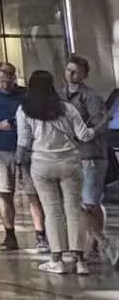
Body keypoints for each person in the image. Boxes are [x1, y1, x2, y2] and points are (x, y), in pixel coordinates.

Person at [17, 68, 95, 276]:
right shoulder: (67, 108)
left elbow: (23, 142)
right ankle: (80, 262)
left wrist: (18, 164)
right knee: (74, 209)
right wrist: (97, 128)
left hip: (41, 164)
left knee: (52, 211)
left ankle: (56, 260)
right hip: (70, 162)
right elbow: (84, 135)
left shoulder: (25, 110)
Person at [0, 61, 49, 254]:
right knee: (4, 192)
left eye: (7, 81)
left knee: (33, 194)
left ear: (13, 78)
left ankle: (41, 235)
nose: (4, 85)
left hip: (28, 152)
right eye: (0, 81)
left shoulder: (25, 95)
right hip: (2, 151)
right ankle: (10, 234)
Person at [63, 54, 109, 260]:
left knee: (90, 201)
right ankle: (93, 241)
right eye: (68, 70)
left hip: (91, 154)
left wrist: (83, 133)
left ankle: (96, 243)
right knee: (79, 202)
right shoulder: (60, 95)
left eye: (76, 72)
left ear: (84, 75)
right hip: (71, 154)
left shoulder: (90, 97)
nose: (71, 75)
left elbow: (100, 125)